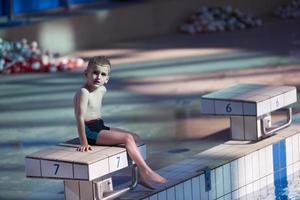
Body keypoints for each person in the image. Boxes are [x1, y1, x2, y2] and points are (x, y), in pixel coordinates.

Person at [73, 56, 167, 186]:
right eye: (95, 72)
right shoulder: (83, 92)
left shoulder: (102, 89)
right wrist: (84, 142)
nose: (98, 77)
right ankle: (146, 171)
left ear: (107, 79)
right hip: (90, 131)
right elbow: (79, 117)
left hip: (99, 126)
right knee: (127, 138)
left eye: (103, 74)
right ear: (86, 74)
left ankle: (138, 176)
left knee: (135, 137)